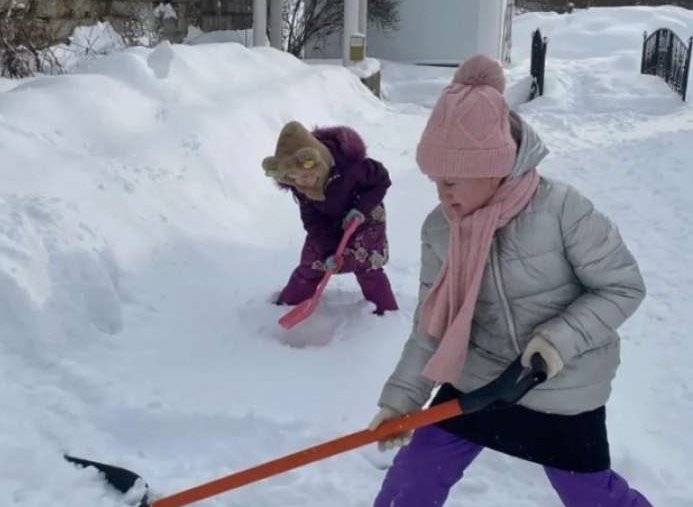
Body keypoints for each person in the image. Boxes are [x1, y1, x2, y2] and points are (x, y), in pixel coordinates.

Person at [369, 55, 650, 506]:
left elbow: (622, 286)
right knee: (413, 480)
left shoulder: (561, 211)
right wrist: (402, 399)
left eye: (454, 180)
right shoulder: (441, 229)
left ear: (497, 165)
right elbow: (430, 325)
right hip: (479, 384)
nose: (443, 193)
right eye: (435, 180)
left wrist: (557, 342)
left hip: (562, 387)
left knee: (590, 495)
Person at [262, 121, 399, 314]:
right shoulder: (301, 188)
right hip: (329, 221)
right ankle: (286, 306)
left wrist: (361, 209)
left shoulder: (351, 168)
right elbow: (314, 223)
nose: (303, 183)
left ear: (317, 163)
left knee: (367, 266)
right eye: (294, 179)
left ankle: (385, 313)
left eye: (306, 176)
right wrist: (327, 253)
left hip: (365, 219)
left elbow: (381, 180)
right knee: (313, 263)